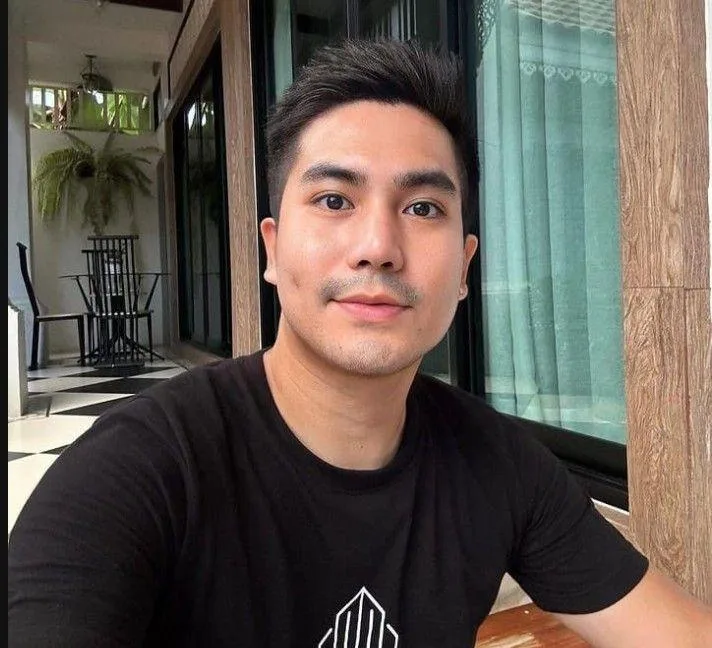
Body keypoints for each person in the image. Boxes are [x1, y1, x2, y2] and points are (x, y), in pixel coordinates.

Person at [8, 39, 711, 648]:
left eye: (423, 207)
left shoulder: (499, 465)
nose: (378, 246)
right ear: (272, 249)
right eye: (335, 200)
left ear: (464, 267)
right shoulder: (139, 473)